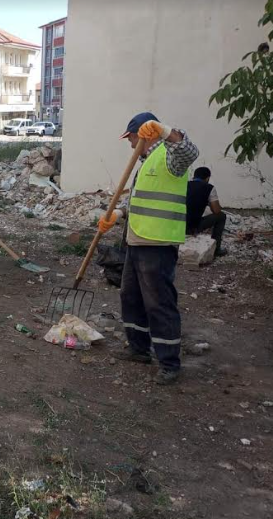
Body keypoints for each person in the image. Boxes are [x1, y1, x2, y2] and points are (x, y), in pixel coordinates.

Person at [98, 112, 199, 385]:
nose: (130, 144)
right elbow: (140, 201)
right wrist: (117, 214)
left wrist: (165, 130)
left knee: (159, 302)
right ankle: (138, 348)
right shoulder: (144, 162)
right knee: (130, 295)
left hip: (158, 243)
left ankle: (169, 362)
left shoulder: (169, 157)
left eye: (131, 137)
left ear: (145, 134)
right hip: (136, 240)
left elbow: (189, 151)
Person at [187, 166, 227, 256]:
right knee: (221, 216)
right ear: (208, 178)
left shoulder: (184, 185)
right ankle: (216, 249)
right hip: (193, 227)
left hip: (178, 226)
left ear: (194, 176)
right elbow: (216, 210)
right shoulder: (209, 188)